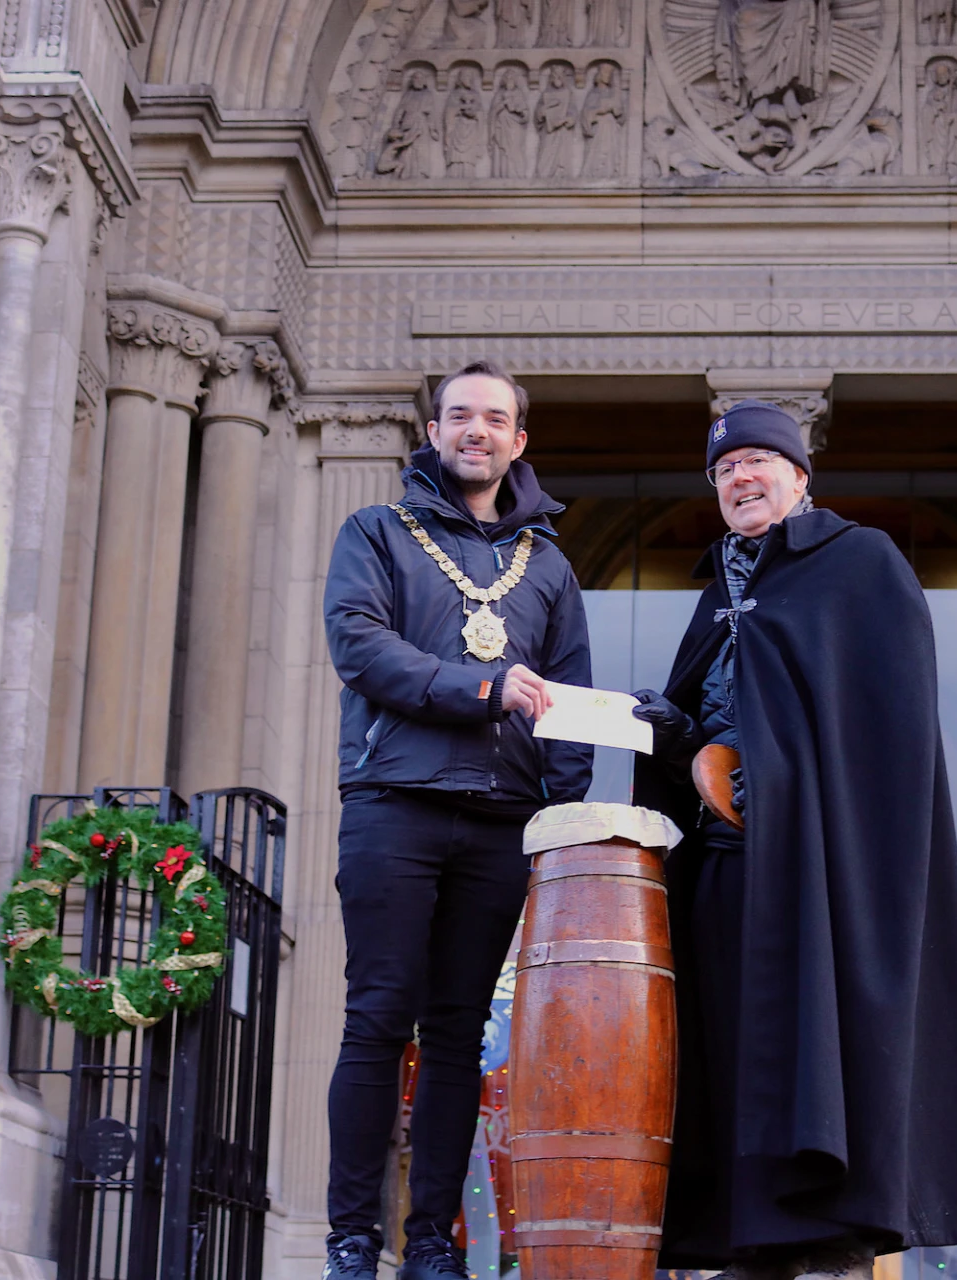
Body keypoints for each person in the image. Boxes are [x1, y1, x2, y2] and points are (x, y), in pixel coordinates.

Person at [631, 401, 957, 1278]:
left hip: (820, 875)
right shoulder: (718, 591)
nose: (741, 479)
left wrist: (788, 779)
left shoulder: (858, 565)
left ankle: (824, 1241)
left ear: (801, 475)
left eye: (759, 461)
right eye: (724, 470)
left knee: (813, 1048)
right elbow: (724, 716)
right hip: (726, 869)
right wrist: (676, 732)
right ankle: (746, 1245)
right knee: (725, 1052)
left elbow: (888, 726)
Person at [321, 360, 593, 1280]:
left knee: (458, 1030)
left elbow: (567, 706)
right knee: (377, 1020)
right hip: (393, 804)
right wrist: (480, 686)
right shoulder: (376, 531)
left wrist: (563, 828)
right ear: (435, 432)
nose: (476, 430)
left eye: (495, 418)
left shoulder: (548, 565)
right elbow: (359, 646)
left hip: (499, 824)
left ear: (519, 442)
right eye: (459, 415)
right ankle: (354, 1237)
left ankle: (433, 1239)